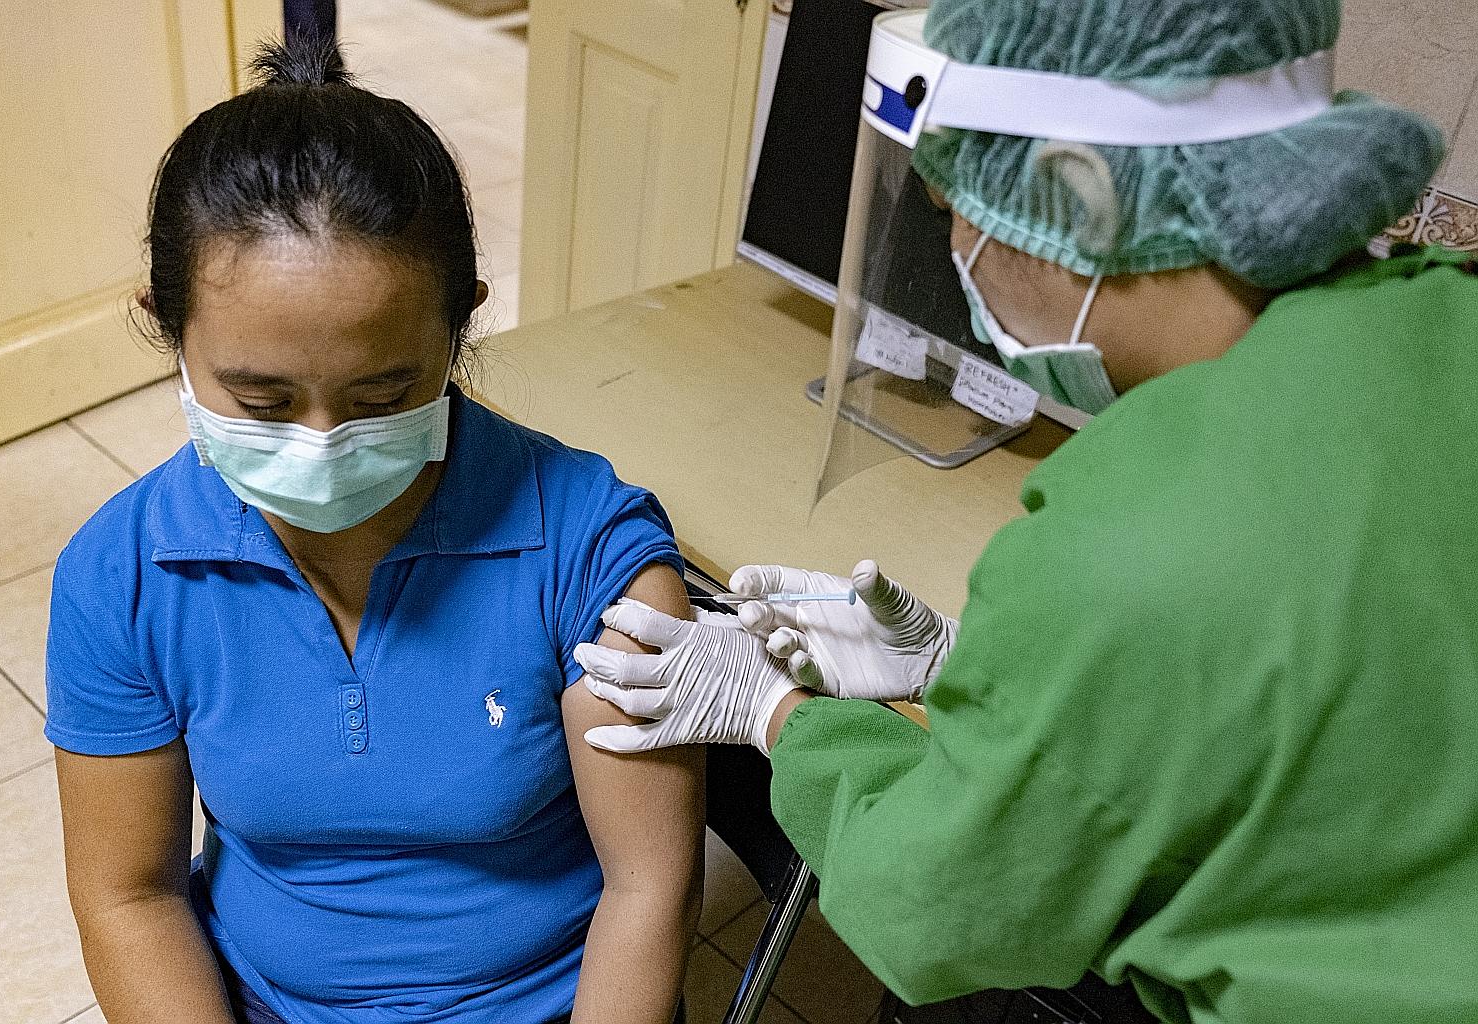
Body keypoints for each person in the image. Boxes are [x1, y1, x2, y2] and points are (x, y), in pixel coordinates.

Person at [573, 0, 1478, 1021]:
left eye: (956, 204)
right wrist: (984, 668)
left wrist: (778, 716)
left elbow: (934, 911)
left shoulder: (1129, 532)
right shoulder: (1446, 317)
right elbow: (1337, 668)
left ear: (1074, 195)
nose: (954, 247)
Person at [46, 38, 702, 1024]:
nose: (322, 443)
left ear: (460, 325)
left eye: (383, 391)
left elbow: (649, 889)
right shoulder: (121, 577)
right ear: (168, 327)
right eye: (260, 399)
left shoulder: (589, 556)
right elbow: (128, 894)